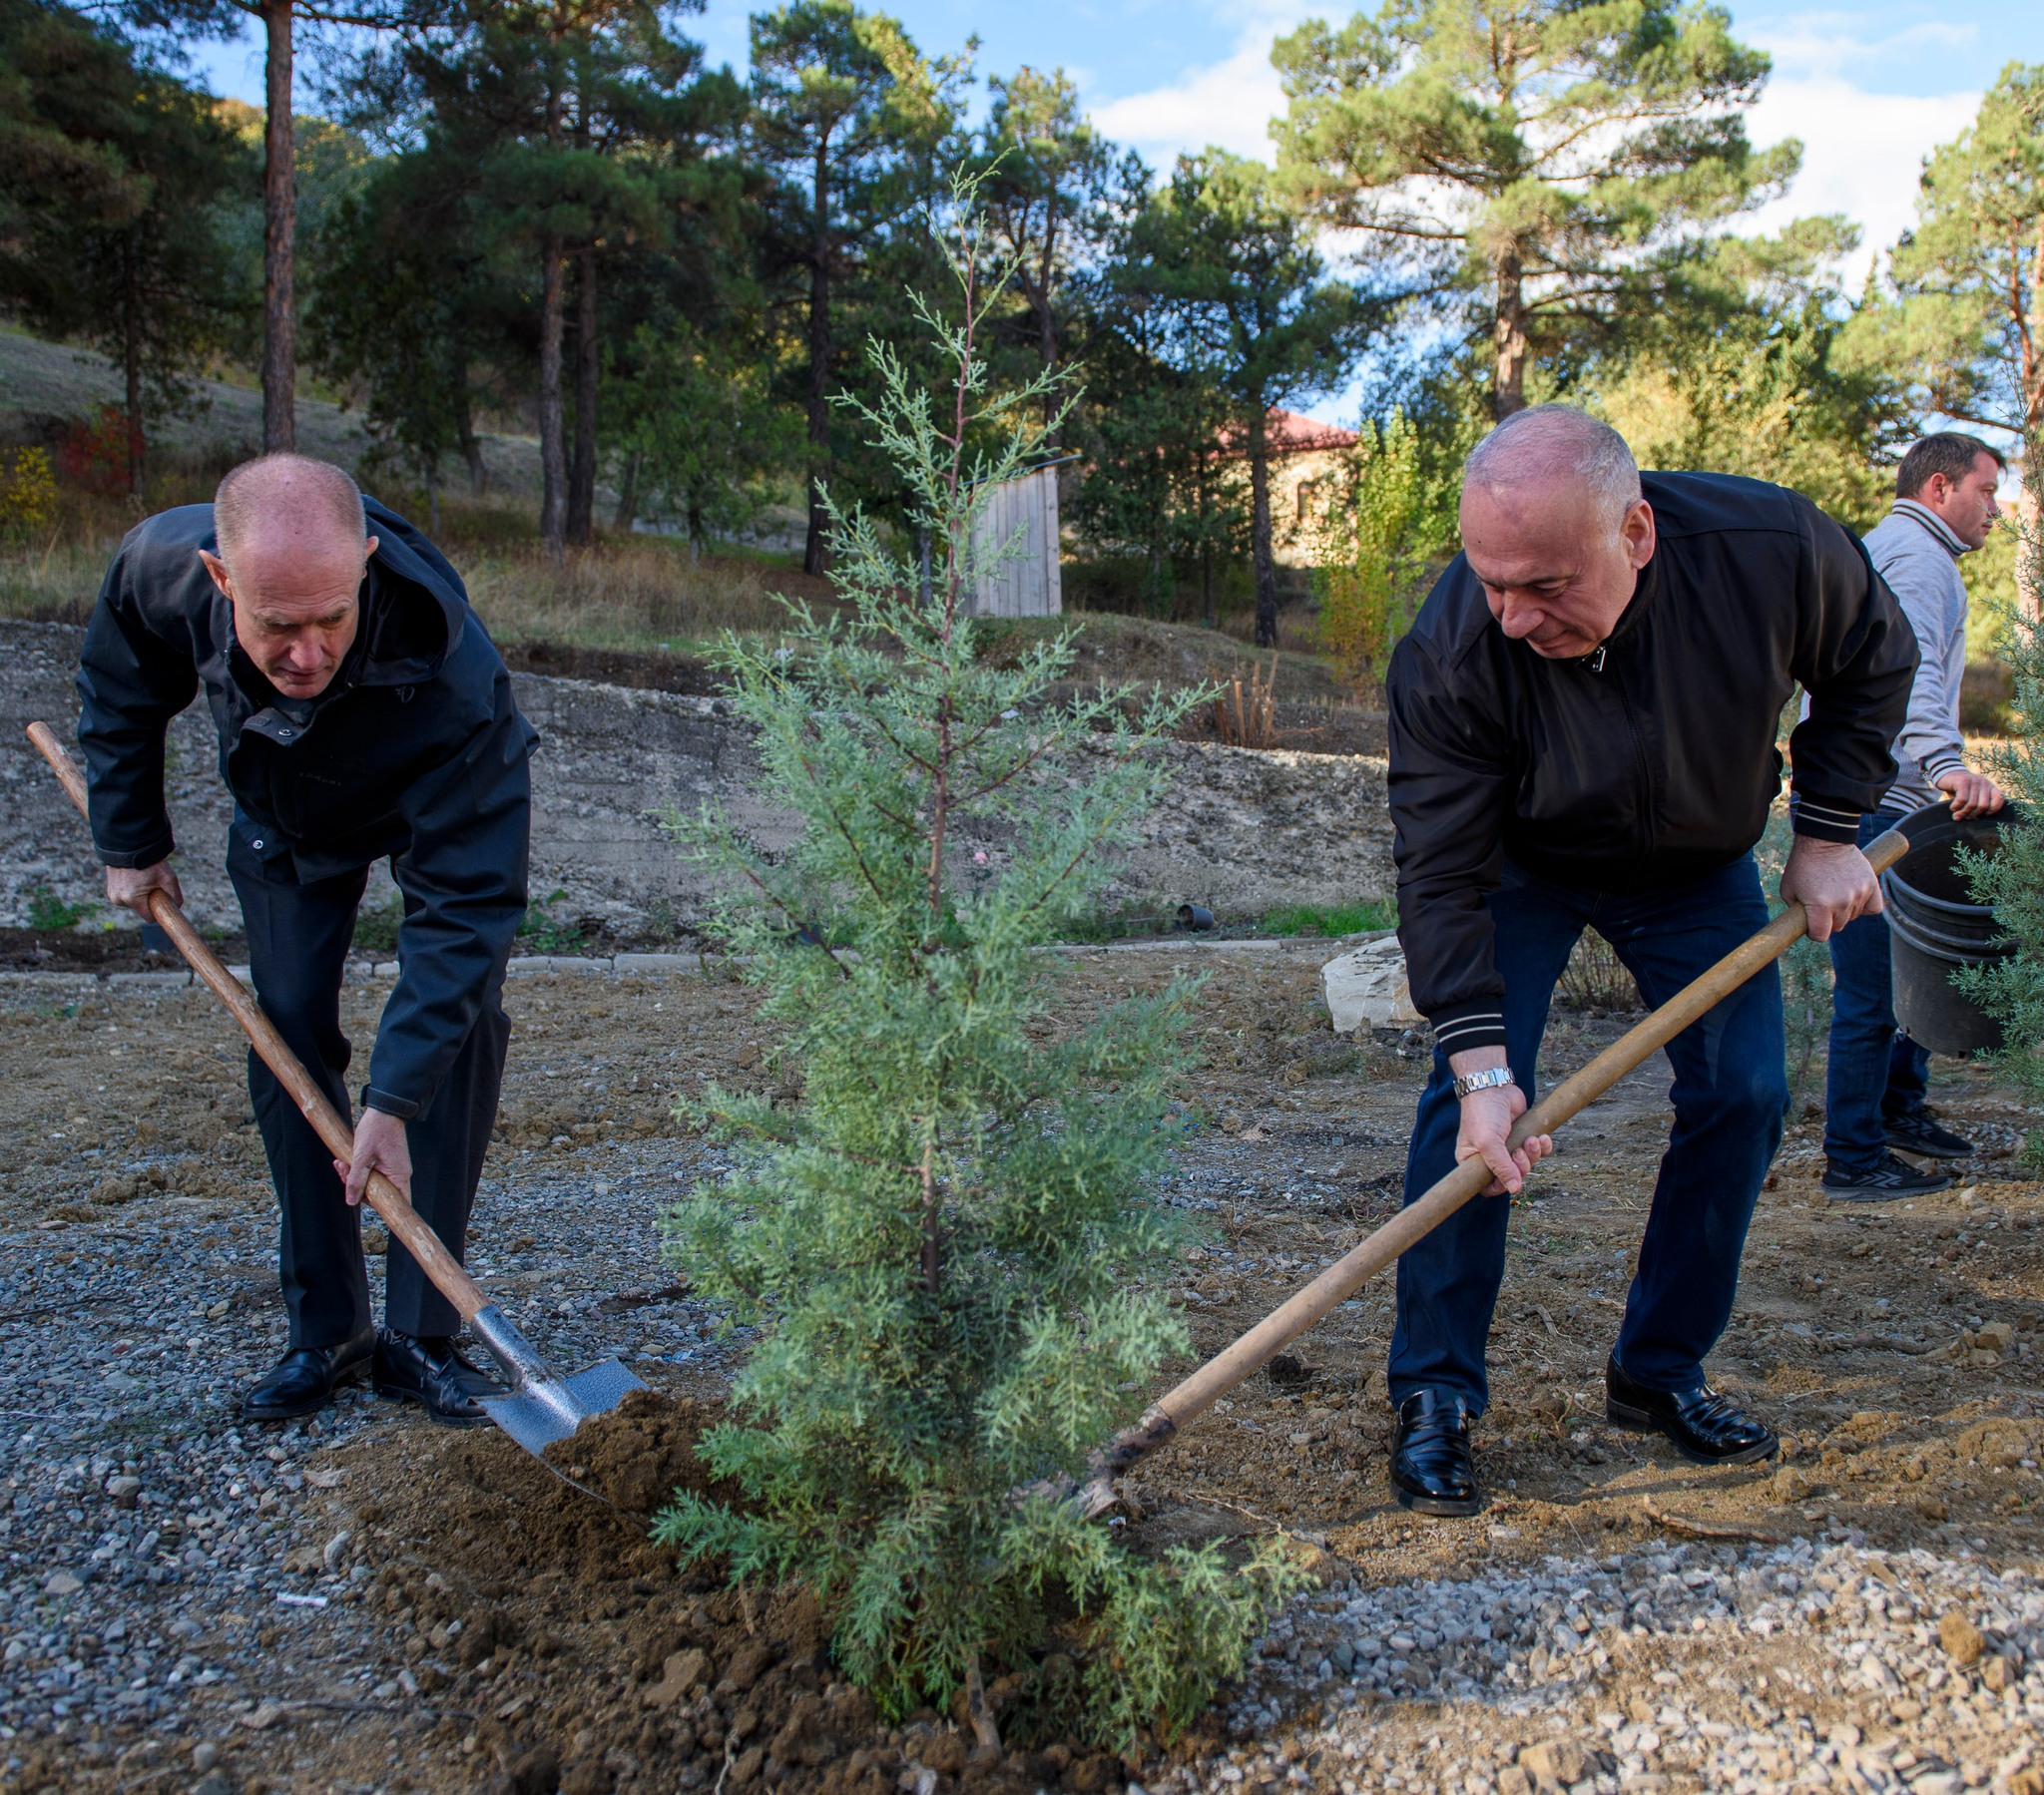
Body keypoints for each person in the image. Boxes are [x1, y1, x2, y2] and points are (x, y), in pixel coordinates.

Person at [1382, 406, 1915, 1518]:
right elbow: (1438, 869)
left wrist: (1826, 831)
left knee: (1744, 1091)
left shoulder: (1771, 551)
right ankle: (1435, 1389)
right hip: (1520, 864)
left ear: (1634, 533)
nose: (1512, 616)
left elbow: (1872, 658)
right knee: (1471, 1111)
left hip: (1692, 866)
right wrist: (1483, 1067)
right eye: (1490, 581)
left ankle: (1658, 1369)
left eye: (1544, 586)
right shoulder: (1452, 648)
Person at [77, 453, 537, 1426]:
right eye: (277, 625)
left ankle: (422, 1333)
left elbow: (466, 909)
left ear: (365, 562)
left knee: (456, 1026)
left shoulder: (458, 679)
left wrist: (392, 1100)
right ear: (220, 578)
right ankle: (328, 1329)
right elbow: (119, 674)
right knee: (283, 1024)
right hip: (285, 817)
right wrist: (129, 835)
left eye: (331, 617)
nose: (307, 651)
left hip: (427, 798)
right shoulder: (162, 568)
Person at [1820, 433, 2007, 1202]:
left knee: (1911, 973)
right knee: (1872, 992)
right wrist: (1943, 762)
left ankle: (1898, 1109)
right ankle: (1853, 1157)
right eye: (1985, 492)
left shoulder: (1902, 551)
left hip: (1887, 796)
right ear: (1939, 487)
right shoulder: (1919, 559)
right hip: (1873, 804)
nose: (1996, 511)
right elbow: (1908, 669)